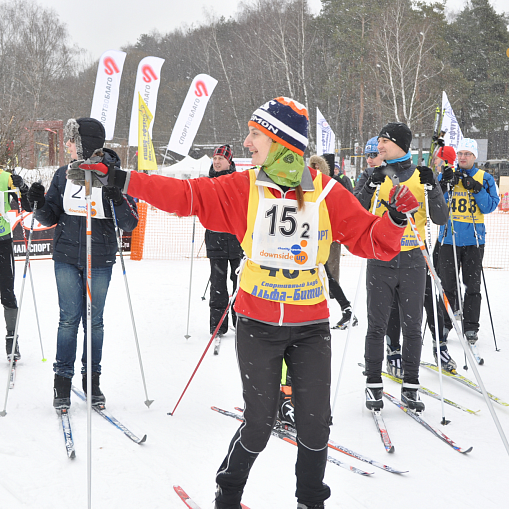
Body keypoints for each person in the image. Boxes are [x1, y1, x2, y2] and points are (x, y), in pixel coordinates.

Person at [69, 97, 418, 509]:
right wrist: (121, 179)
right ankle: (228, 491)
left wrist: (394, 220)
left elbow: (370, 241)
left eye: (256, 134)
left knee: (315, 425)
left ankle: (312, 500)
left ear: (282, 142)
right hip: (257, 323)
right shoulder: (243, 187)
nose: (247, 143)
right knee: (258, 424)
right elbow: (185, 196)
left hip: (311, 327)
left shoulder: (327, 192)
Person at [27, 118, 138, 409]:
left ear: (85, 144)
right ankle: (62, 382)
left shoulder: (116, 176)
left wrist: (116, 198)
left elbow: (130, 222)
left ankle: (93, 381)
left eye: (72, 140)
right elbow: (50, 216)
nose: (67, 145)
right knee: (68, 319)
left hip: (99, 258)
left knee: (94, 322)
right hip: (66, 256)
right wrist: (36, 204)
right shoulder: (63, 175)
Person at [355, 122, 448, 412]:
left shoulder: (420, 175)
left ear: (401, 144)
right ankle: (373, 384)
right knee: (377, 326)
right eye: (379, 140)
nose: (379, 145)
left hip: (412, 261)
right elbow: (355, 213)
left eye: (385, 141)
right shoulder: (374, 174)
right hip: (380, 259)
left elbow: (441, 218)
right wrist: (369, 187)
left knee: (411, 326)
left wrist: (433, 189)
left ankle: (410, 386)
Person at [383, 145, 458, 377]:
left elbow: (438, 208)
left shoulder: (422, 173)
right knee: (394, 303)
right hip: (390, 250)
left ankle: (440, 345)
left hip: (417, 250)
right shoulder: (381, 176)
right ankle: (393, 349)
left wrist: (440, 183)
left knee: (429, 298)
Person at [437, 138, 499, 355]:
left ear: (474, 157)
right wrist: (446, 184)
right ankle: (444, 324)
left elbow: (490, 206)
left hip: (474, 241)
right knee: (447, 286)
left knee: (472, 287)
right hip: (448, 240)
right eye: (460, 153)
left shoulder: (485, 177)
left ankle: (471, 328)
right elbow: (436, 203)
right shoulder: (447, 174)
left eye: (468, 154)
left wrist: (476, 188)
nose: (463, 157)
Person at [308, 155, 357, 330]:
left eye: (319, 166)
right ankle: (345, 309)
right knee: (323, 274)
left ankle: (342, 310)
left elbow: (344, 207)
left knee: (328, 274)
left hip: (331, 236)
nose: (316, 170)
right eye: (313, 166)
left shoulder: (333, 183)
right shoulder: (310, 183)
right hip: (312, 236)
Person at [205, 145, 243, 335]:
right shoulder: (207, 182)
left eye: (221, 158)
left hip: (237, 240)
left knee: (240, 285)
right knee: (218, 285)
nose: (217, 162)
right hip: (215, 240)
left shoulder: (237, 181)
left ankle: (241, 321)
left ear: (229, 161)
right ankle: (218, 325)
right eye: (215, 158)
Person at [0, 169, 31, 361]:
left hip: (2, 241)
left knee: (7, 292)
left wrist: (23, 187)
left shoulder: (5, 177)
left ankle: (12, 339)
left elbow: (27, 205)